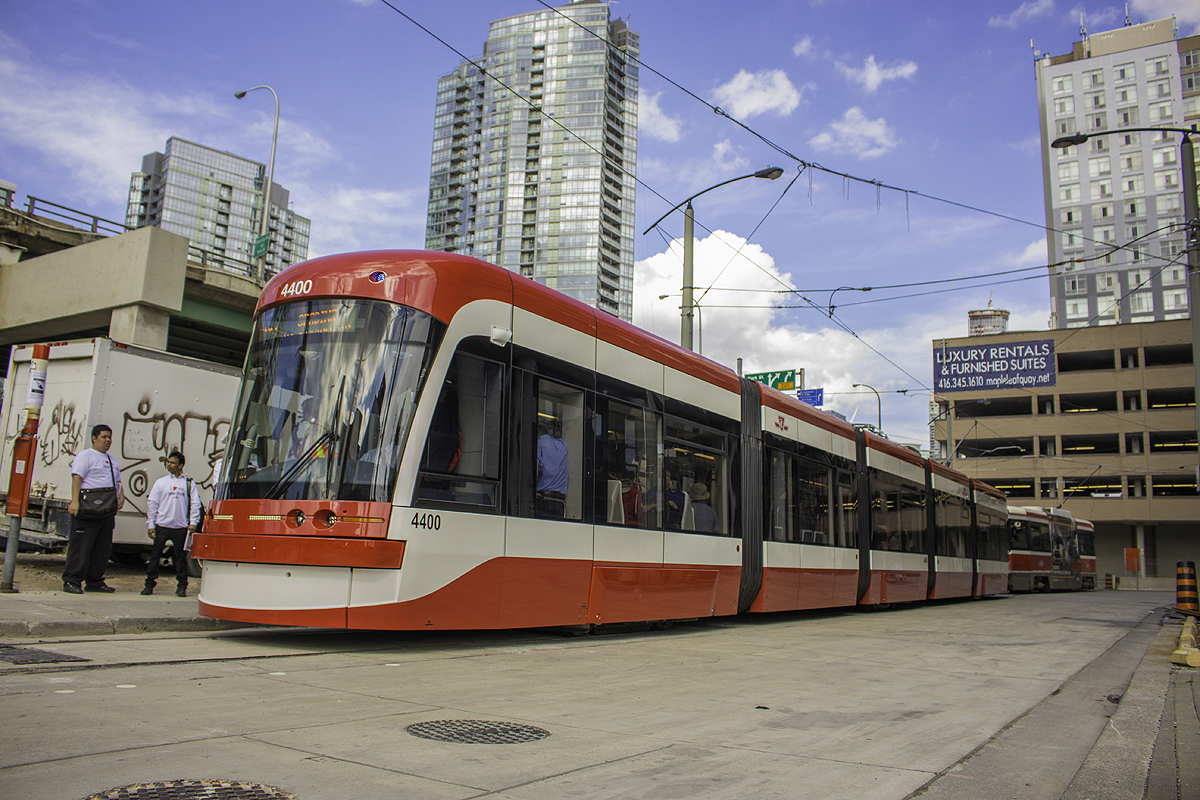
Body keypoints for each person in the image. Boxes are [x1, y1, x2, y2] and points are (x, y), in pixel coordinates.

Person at [63, 424, 125, 594]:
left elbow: (117, 481)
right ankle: (72, 580)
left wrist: (121, 496)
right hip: (88, 508)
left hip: (106, 510)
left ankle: (95, 581)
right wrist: (74, 502)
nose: (107, 440)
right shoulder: (85, 456)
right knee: (81, 546)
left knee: (102, 548)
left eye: (109, 437)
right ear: (94, 438)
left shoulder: (112, 460)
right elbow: (77, 478)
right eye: (104, 437)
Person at [142, 450, 201, 597]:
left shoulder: (188, 483)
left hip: (180, 527)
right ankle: (149, 584)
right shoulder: (161, 482)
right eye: (168, 462)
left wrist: (193, 522)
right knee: (155, 557)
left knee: (180, 558)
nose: (169, 464)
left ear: (180, 465)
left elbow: (195, 503)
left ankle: (182, 586)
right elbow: (152, 503)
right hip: (162, 525)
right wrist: (151, 524)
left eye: (173, 462)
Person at [535, 424, 568, 518]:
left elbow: (536, 466)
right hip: (561, 502)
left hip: (545, 499)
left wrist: (532, 489)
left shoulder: (539, 443)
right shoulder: (562, 444)